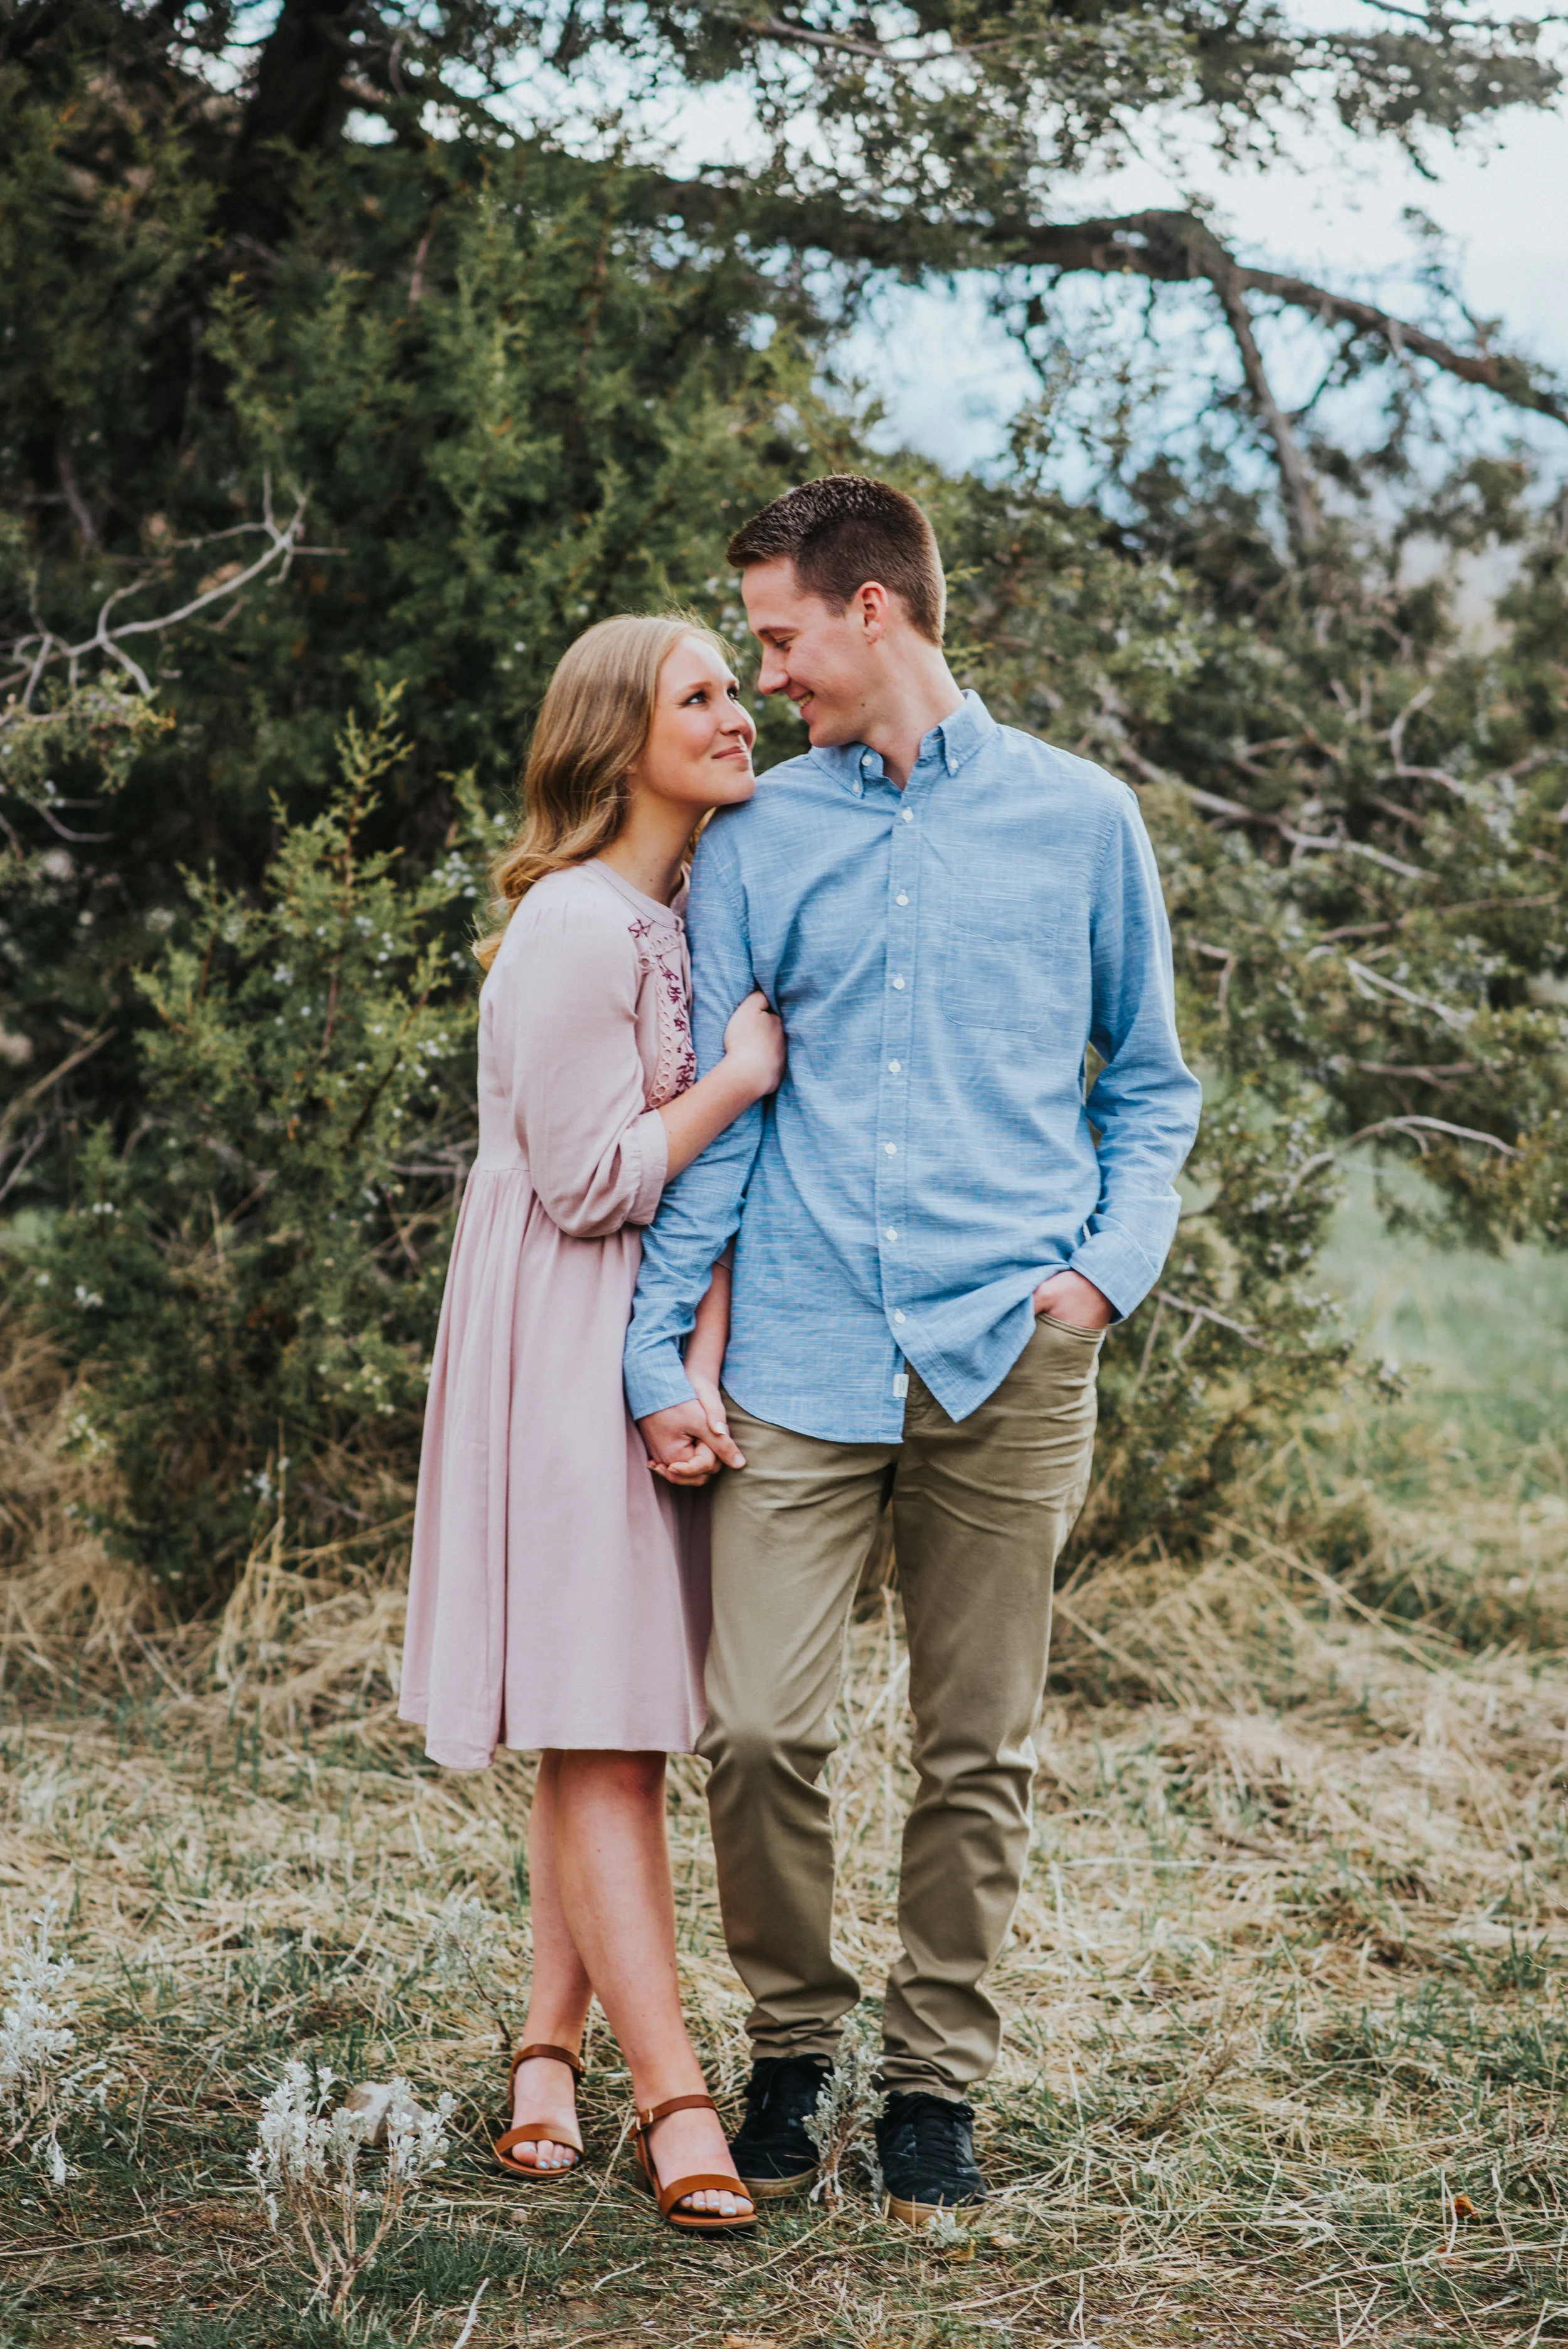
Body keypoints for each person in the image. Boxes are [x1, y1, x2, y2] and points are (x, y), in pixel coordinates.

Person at [625, 475, 1202, 2226]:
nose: (767, 677)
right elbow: (713, 1118)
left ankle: (934, 2084)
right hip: (794, 1351)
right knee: (758, 1733)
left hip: (1006, 1353)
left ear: (875, 614)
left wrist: (1102, 1274)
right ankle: (795, 2039)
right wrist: (663, 1352)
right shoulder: (761, 839)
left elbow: (1152, 1085)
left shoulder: (1080, 822)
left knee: (978, 1748)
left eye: (783, 639)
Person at [400, 613, 785, 2234]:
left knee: (602, 1710)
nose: (738, 712)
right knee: (610, 1730)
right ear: (618, 736)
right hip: (555, 1336)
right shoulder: (571, 926)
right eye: (698, 694)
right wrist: (734, 1080)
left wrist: (691, 1362)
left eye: (733, 687)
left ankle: (548, 2052)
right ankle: (677, 2099)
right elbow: (586, 1178)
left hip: (636, 1335)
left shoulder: (677, 908)